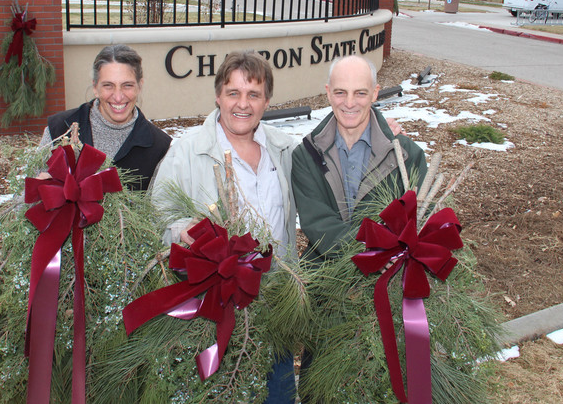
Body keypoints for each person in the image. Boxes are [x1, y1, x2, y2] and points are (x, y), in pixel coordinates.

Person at [151, 51, 296, 403]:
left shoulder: (285, 149)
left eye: (253, 94)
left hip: (276, 304)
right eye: (233, 93)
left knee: (278, 394)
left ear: (266, 101)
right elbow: (158, 218)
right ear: (218, 96)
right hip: (215, 310)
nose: (242, 104)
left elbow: (330, 153)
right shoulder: (187, 152)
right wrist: (185, 233)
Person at [291, 55, 427, 262]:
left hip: (392, 278)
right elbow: (318, 222)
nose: (350, 103)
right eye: (340, 92)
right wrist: (370, 256)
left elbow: (423, 218)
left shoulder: (406, 155)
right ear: (328, 93)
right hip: (325, 282)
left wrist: (384, 258)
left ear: (375, 93)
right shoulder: (306, 156)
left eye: (360, 93)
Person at [40, 44, 171, 191]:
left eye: (127, 85)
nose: (118, 96)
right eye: (108, 85)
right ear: (95, 87)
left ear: (139, 86)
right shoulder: (60, 129)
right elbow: (23, 202)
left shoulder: (159, 147)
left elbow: (159, 209)